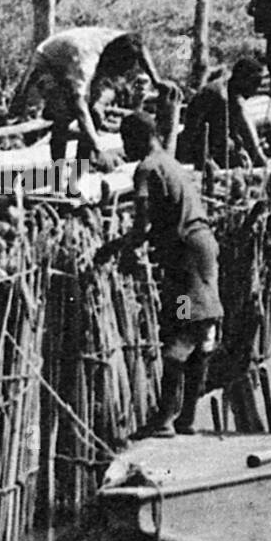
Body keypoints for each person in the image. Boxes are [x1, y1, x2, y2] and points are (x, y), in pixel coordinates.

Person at [95, 110, 223, 438]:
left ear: (141, 137)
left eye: (126, 141)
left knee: (180, 331)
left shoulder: (147, 168)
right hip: (203, 250)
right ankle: (187, 418)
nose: (125, 148)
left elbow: (141, 222)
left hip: (185, 261)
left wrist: (117, 250)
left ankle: (165, 418)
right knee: (201, 330)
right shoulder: (171, 162)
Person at [9, 27, 170, 174]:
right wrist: (98, 147)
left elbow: (141, 48)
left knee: (96, 114)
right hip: (50, 62)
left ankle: (78, 175)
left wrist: (156, 80)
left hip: (78, 52)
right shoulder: (84, 62)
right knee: (63, 118)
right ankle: (56, 176)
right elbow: (79, 106)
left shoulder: (122, 40)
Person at [175, 57, 264, 168]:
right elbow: (194, 132)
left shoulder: (233, 95)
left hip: (214, 144)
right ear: (242, 79)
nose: (255, 91)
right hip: (195, 148)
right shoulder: (219, 96)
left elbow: (240, 131)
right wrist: (207, 160)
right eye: (255, 84)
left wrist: (243, 149)